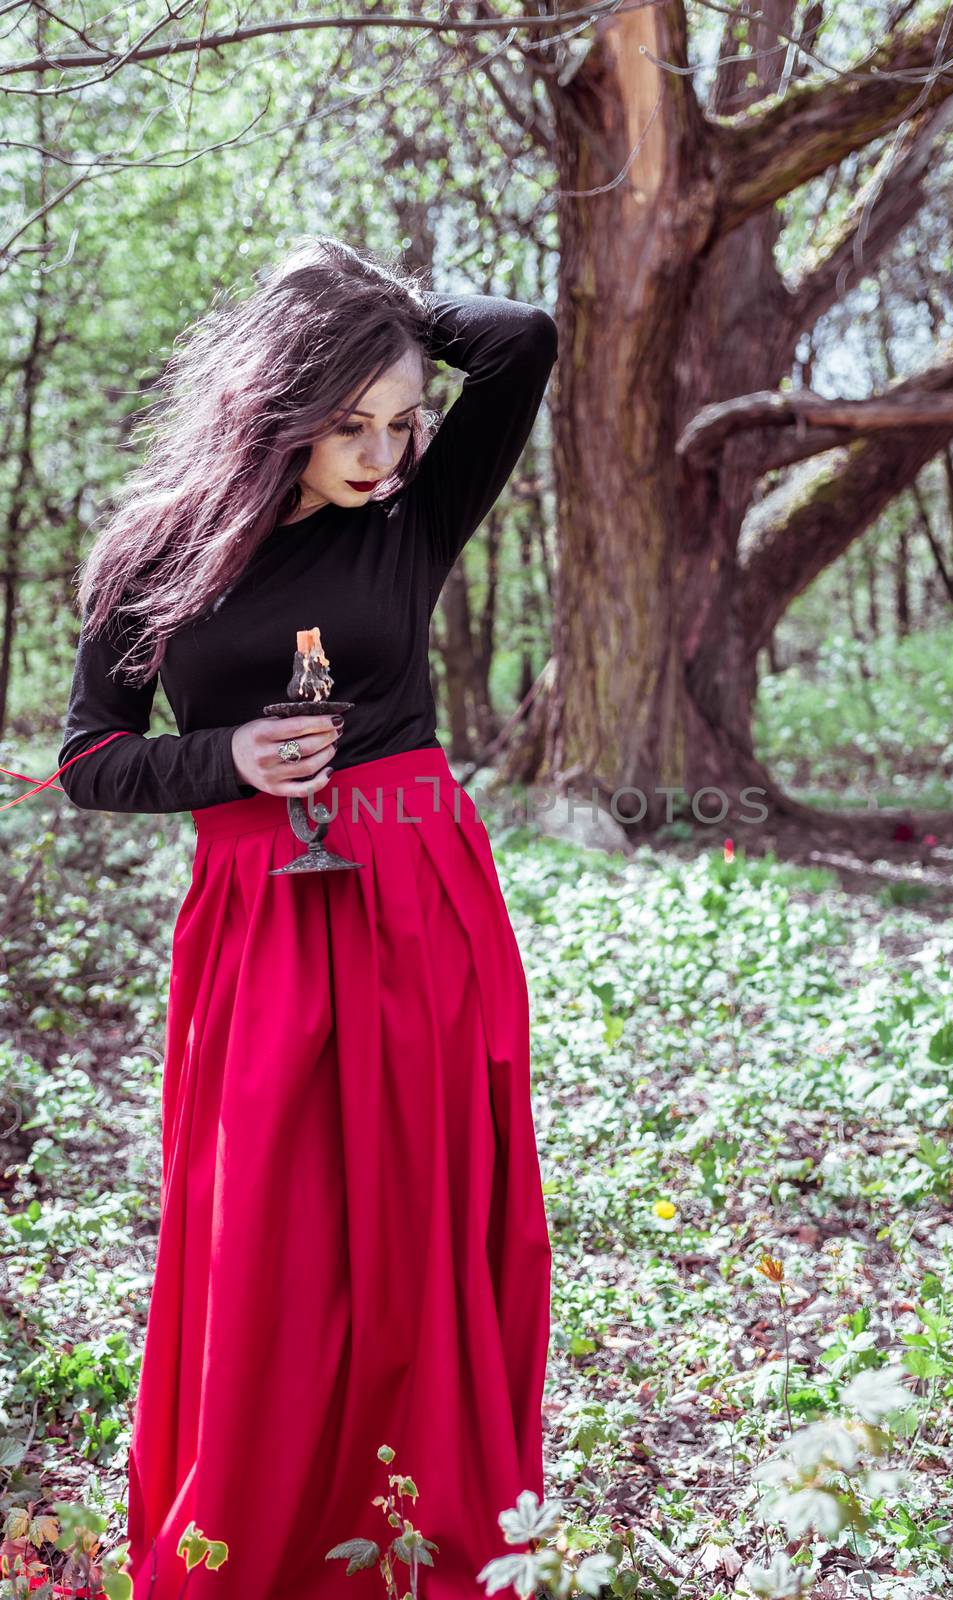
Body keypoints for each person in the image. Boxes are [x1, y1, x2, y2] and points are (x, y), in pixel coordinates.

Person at [55, 236, 559, 1599]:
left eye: (403, 423)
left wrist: (362, 301)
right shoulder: (154, 551)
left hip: (416, 896)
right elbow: (89, 757)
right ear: (274, 401)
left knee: (417, 1218)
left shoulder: (411, 519)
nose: (388, 453)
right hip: (256, 918)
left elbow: (519, 340)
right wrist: (224, 763)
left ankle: (410, 1531)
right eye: (352, 423)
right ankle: (259, 1531)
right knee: (267, 1225)